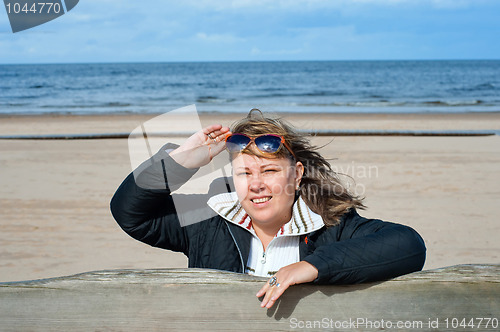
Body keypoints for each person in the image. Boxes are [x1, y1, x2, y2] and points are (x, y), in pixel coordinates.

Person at [110, 109, 426, 309]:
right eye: (244, 173)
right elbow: (130, 213)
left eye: (270, 171)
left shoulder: (331, 225)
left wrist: (312, 266)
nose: (256, 184)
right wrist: (182, 160)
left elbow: (408, 245)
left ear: (298, 173)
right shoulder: (207, 222)